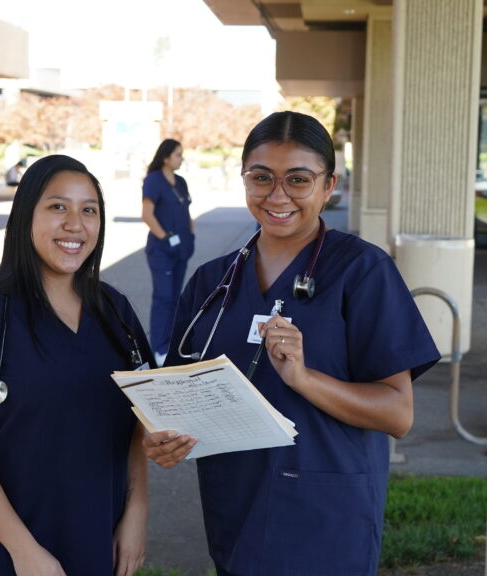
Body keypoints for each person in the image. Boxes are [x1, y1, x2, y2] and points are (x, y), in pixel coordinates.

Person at [143, 111, 441, 576]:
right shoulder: (212, 283)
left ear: (328, 186)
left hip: (326, 516)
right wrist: (165, 438)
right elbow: (179, 399)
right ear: (243, 180)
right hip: (234, 506)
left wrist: (304, 379)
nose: (277, 195)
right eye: (261, 178)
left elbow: (397, 413)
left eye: (298, 179)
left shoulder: (362, 272)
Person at [0, 154, 153, 576]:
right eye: (57, 206)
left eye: (89, 210)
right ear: (26, 215)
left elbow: (137, 425)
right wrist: (24, 551)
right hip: (14, 546)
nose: (75, 224)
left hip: (103, 536)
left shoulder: (115, 311)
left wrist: (136, 514)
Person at [141, 139, 195, 366]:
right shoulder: (154, 180)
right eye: (177, 154)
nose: (181, 158)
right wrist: (165, 237)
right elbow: (147, 214)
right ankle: (158, 348)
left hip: (182, 248)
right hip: (162, 250)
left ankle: (170, 344)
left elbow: (186, 210)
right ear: (165, 157)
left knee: (175, 298)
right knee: (163, 298)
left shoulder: (180, 182)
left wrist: (190, 236)